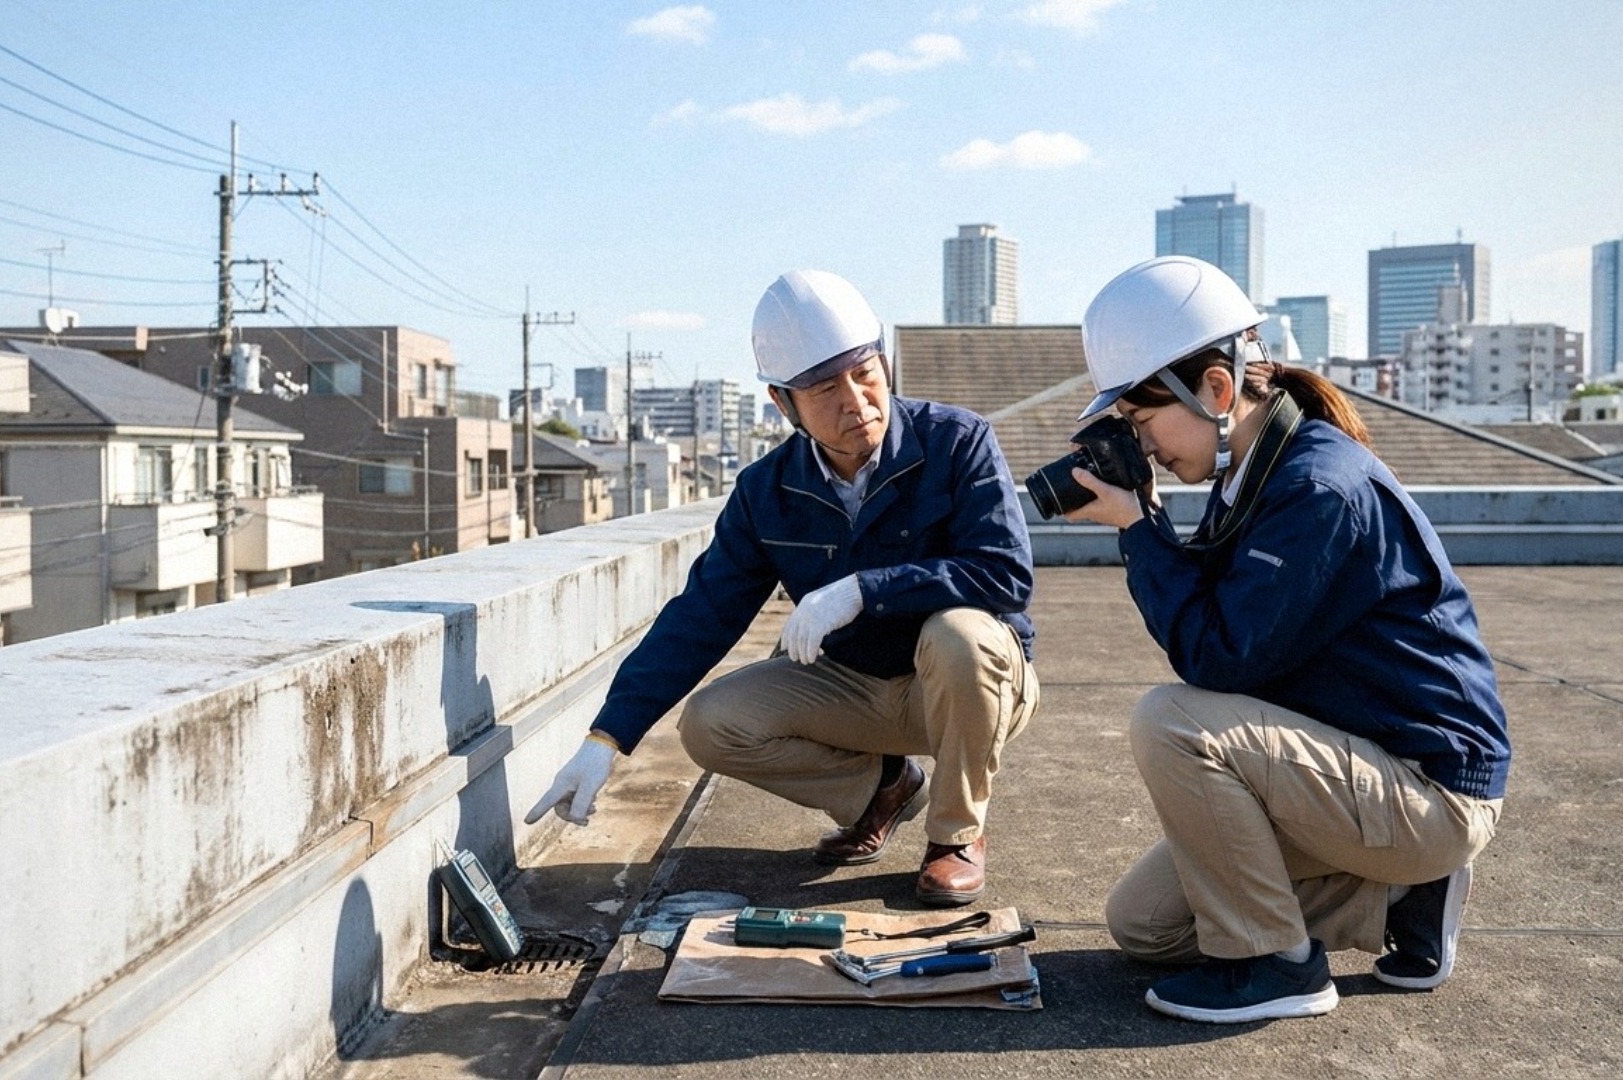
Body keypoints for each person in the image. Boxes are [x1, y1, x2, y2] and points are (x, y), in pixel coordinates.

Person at [1063, 256, 1510, 1023]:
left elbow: (1217, 658)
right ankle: (1401, 900)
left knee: (1172, 720)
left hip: (1429, 788)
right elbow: (1225, 626)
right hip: (1358, 765)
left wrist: (1139, 530)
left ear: (1216, 389)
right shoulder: (1253, 474)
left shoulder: (1315, 489)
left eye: (1140, 422)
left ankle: (1276, 965)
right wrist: (1147, 516)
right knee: (1145, 925)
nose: (1143, 446)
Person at [526, 269, 1039, 906]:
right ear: (783, 401)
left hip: (970, 686)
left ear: (884, 364)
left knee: (960, 633)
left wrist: (863, 590)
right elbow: (702, 614)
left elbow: (1005, 572)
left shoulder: (957, 441)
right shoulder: (766, 490)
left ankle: (955, 837)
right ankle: (880, 789)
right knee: (711, 724)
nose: (856, 400)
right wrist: (606, 738)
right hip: (859, 687)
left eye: (866, 373)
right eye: (825, 388)